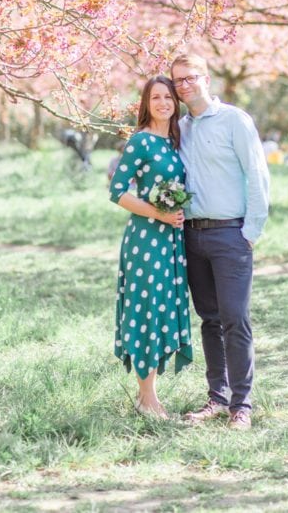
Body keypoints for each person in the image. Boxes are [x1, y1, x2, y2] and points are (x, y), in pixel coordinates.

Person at [170, 54, 270, 431]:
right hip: (192, 236)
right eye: (177, 81)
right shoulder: (180, 128)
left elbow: (257, 173)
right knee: (209, 320)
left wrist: (251, 232)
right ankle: (217, 397)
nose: (183, 86)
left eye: (189, 78)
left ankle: (241, 405)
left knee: (235, 319)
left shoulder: (234, 120)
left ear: (206, 79)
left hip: (231, 234)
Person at [108, 76, 193, 419]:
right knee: (146, 311)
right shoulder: (141, 141)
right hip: (145, 241)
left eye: (168, 97)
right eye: (155, 97)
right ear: (146, 103)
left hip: (171, 240)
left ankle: (149, 397)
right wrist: (158, 212)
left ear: (175, 102)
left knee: (162, 311)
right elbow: (117, 191)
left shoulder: (175, 142)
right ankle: (147, 399)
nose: (162, 103)